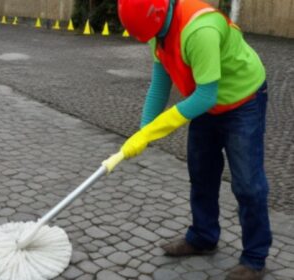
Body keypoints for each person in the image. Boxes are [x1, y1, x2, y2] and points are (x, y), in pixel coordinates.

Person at [117, 0, 272, 279]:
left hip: (242, 100)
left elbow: (205, 96)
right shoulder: (159, 34)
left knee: (248, 184)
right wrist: (142, 132)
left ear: (157, 17)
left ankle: (254, 258)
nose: (151, 41)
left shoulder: (199, 30)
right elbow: (159, 85)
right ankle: (203, 237)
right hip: (205, 104)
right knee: (201, 173)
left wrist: (156, 130)